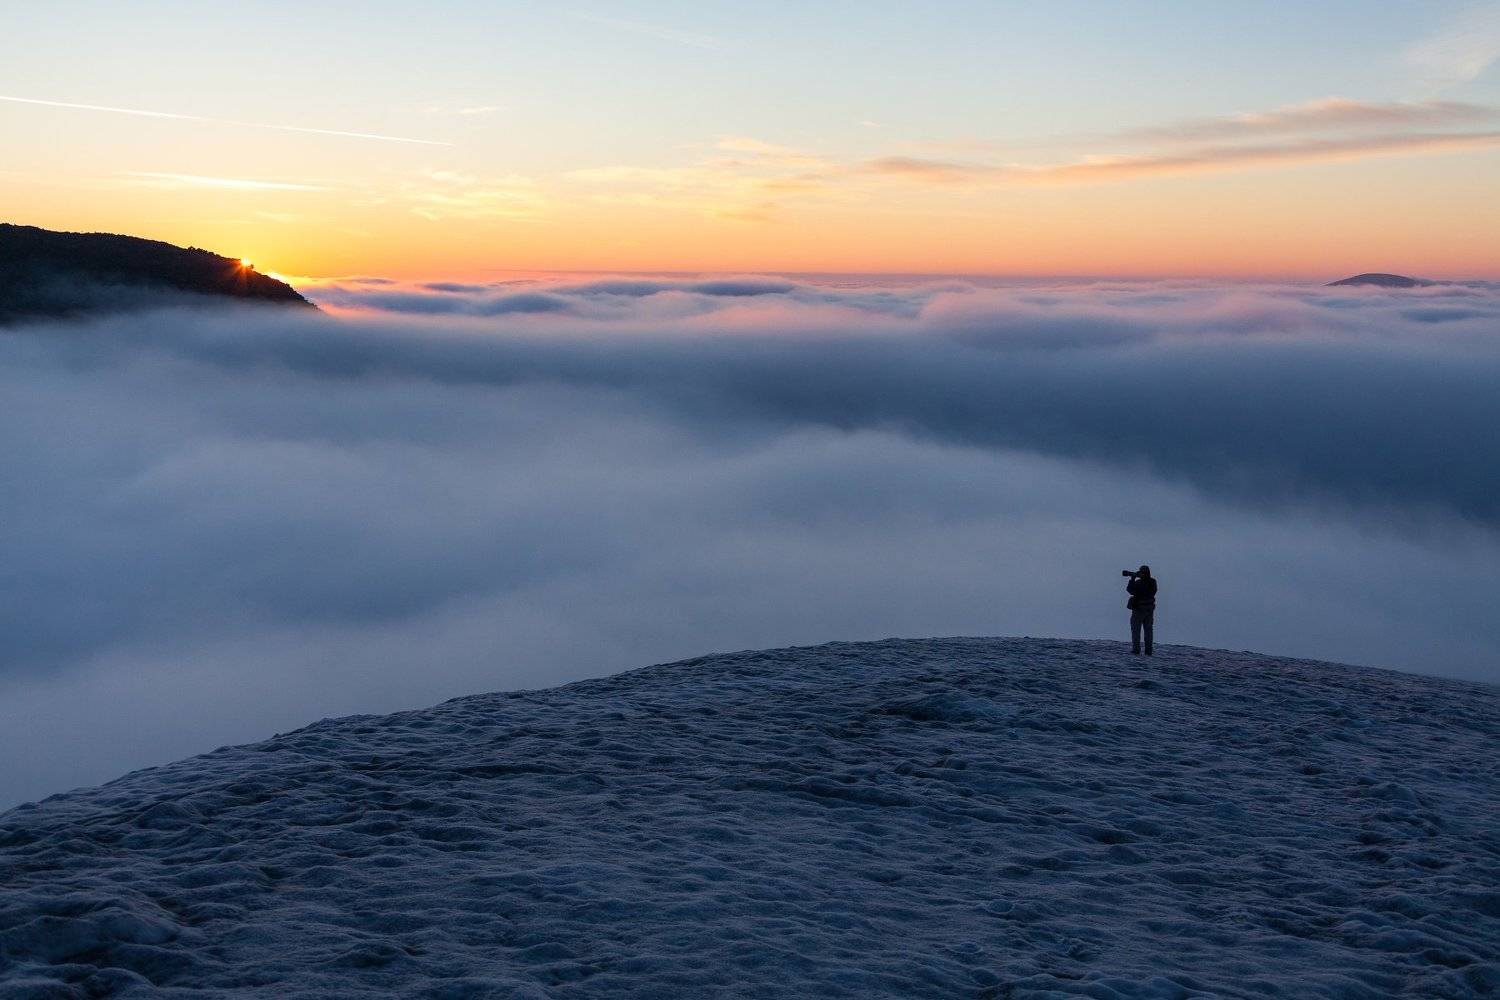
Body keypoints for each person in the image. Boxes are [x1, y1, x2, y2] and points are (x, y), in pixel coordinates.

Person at [1124, 565, 1157, 655]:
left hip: (1139, 609)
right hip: (1149, 609)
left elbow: (1130, 590)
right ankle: (1148, 651)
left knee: (1136, 629)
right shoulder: (1153, 582)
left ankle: (1136, 650)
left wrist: (1132, 579)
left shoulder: (1139, 583)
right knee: (1148, 630)